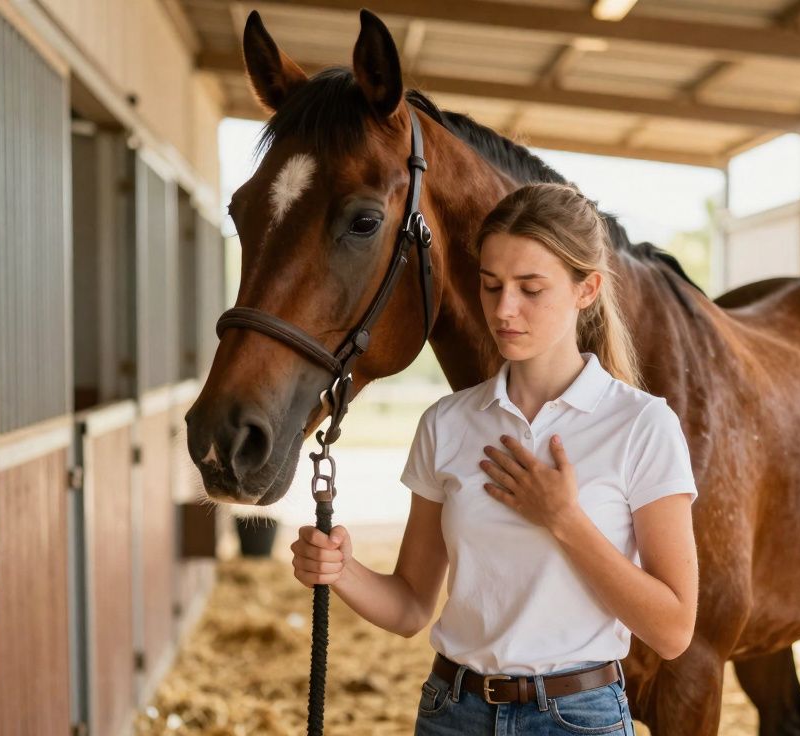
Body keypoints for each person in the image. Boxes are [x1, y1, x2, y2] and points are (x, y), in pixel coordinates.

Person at [290, 182, 700, 735]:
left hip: (576, 718)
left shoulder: (641, 425)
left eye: (531, 289)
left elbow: (673, 630)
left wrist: (565, 520)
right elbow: (412, 606)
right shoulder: (448, 423)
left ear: (588, 289)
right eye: (491, 286)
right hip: (451, 712)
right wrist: (340, 572)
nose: (504, 310)